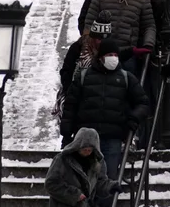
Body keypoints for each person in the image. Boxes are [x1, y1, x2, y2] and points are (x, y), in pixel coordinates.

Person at [60, 39, 150, 187]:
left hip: (112, 138)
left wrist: (133, 118)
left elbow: (143, 103)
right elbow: (71, 106)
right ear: (101, 56)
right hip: (86, 138)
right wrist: (66, 133)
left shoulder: (126, 78)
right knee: (84, 180)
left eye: (115, 54)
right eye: (110, 54)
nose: (113, 57)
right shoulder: (84, 77)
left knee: (108, 180)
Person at [80, 0, 156, 77]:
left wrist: (148, 43)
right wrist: (87, 45)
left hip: (128, 53)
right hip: (102, 52)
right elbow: (89, 22)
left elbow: (149, 25)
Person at [58, 18, 113, 125]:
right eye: (99, 38)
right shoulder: (78, 48)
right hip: (78, 98)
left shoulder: (110, 51)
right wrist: (70, 93)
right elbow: (66, 71)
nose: (101, 42)